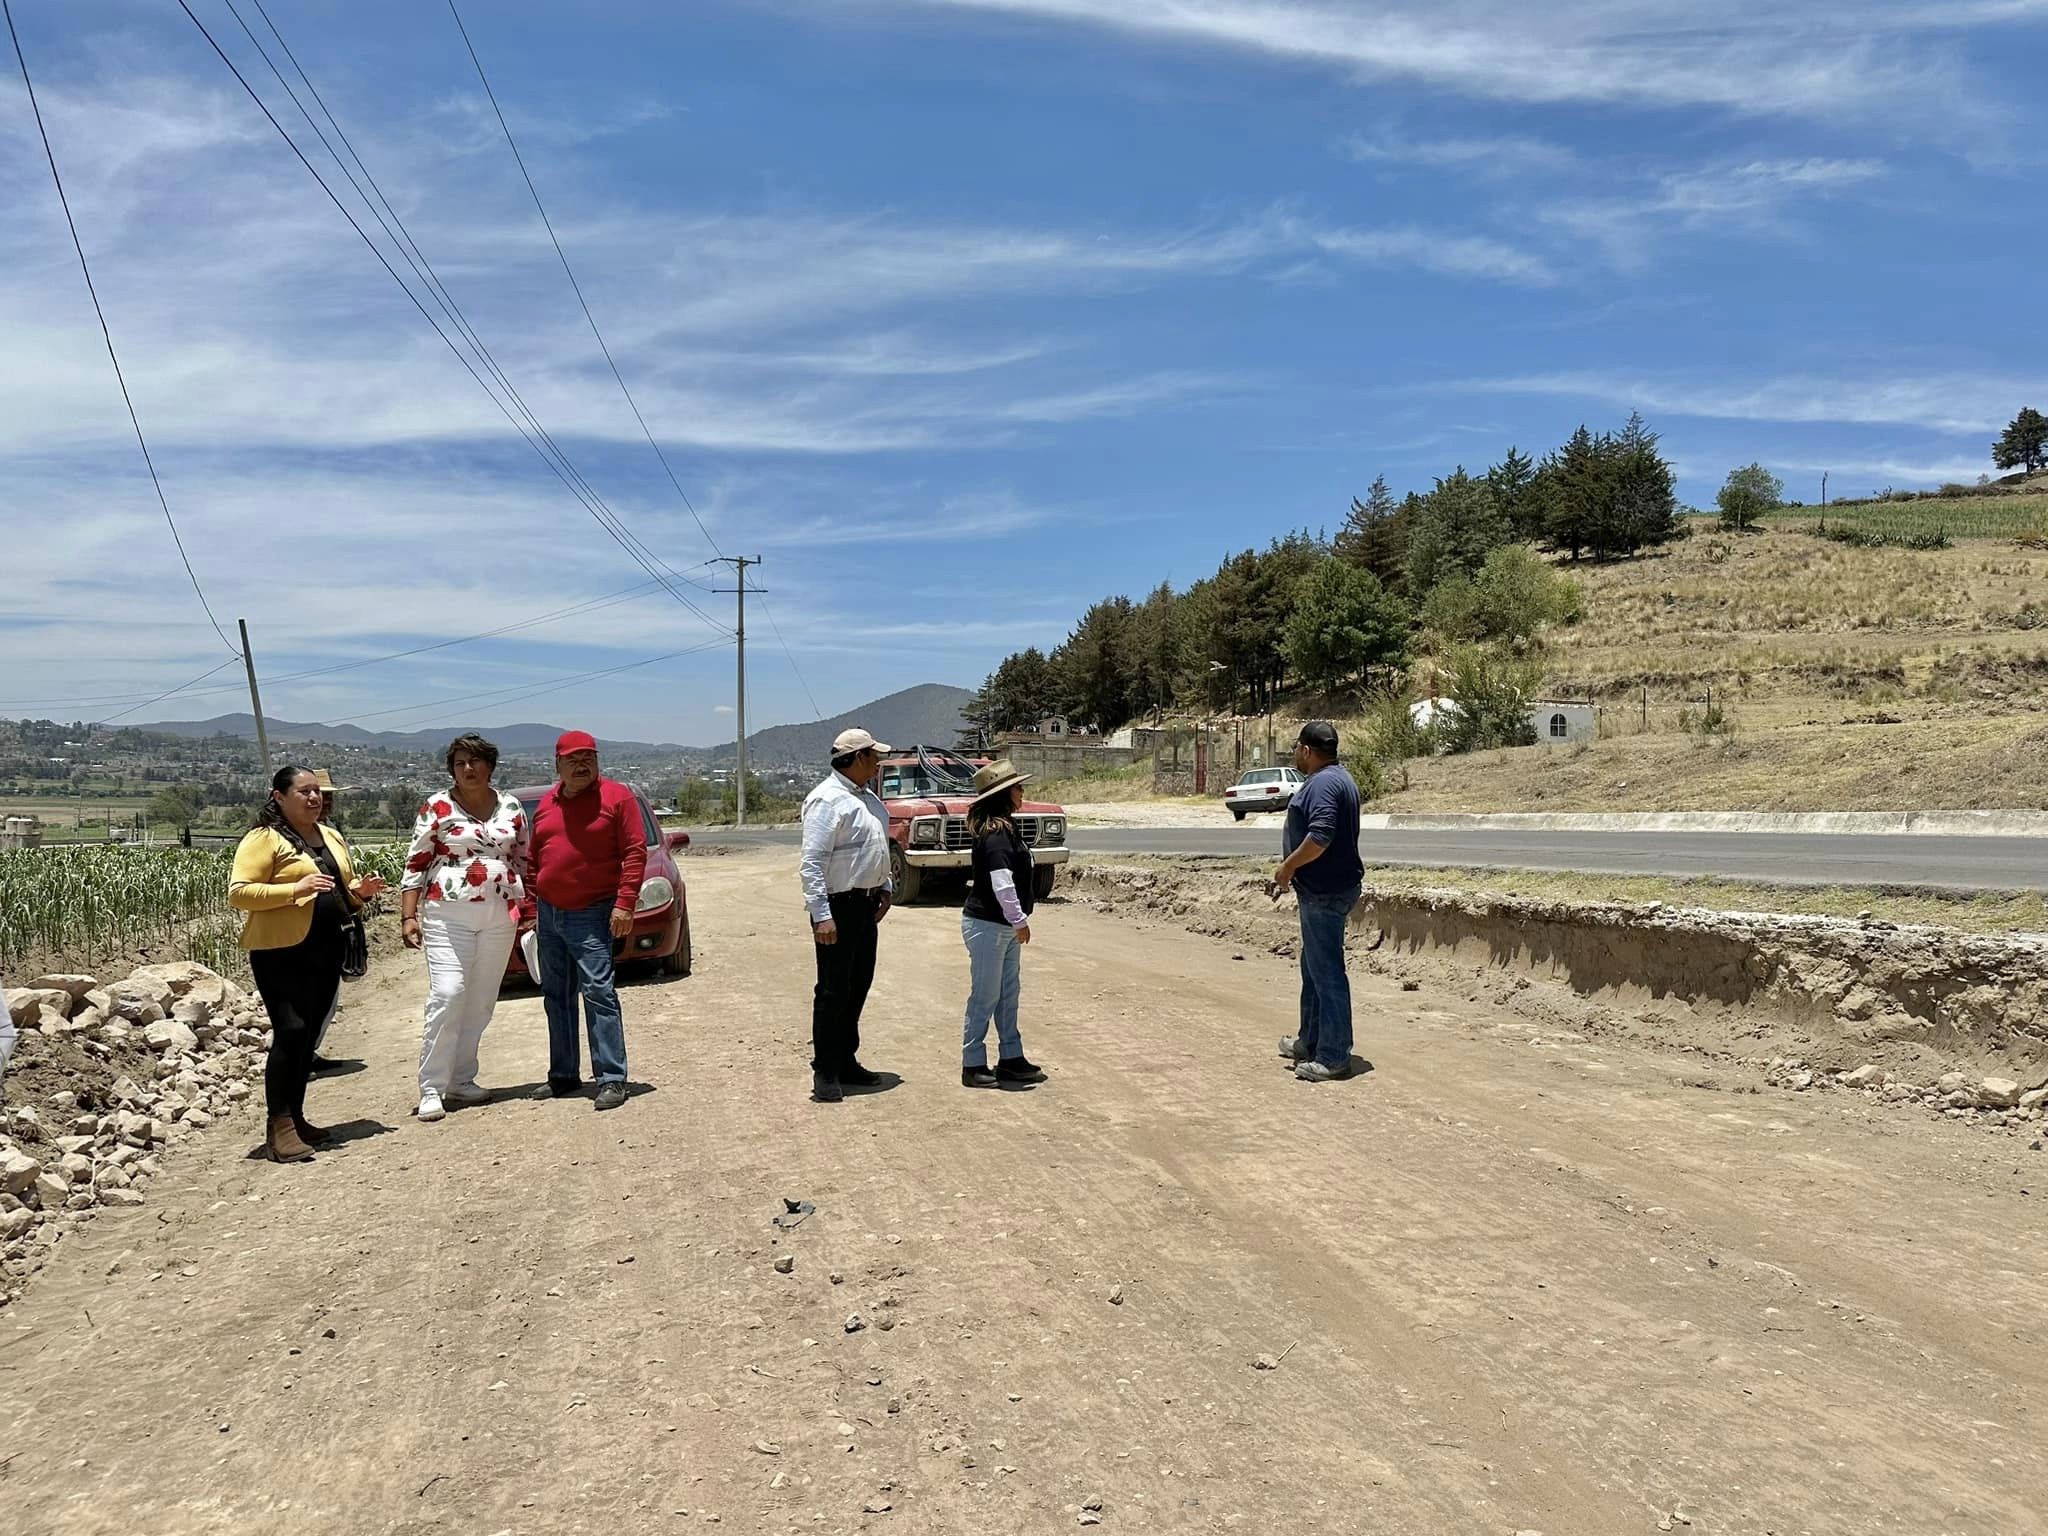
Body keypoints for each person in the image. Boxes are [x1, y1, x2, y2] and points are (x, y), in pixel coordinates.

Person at [230, 765, 388, 1161]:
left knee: (308, 1035)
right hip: (280, 950)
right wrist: (293, 889)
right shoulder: (263, 839)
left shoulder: (329, 836)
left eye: (317, 791)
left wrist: (360, 894)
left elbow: (339, 893)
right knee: (291, 1029)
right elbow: (240, 892)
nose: (315, 798)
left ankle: (297, 1118)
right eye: (304, 791)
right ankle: (279, 1125)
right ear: (279, 797)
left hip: (326, 945)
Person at [398, 734, 528, 1123]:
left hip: (498, 914)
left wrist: (528, 906)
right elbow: (417, 860)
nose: (467, 769)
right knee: (449, 994)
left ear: (490, 765)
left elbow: (522, 857)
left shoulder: (511, 805)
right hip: (446, 913)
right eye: (459, 763)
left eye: (475, 761)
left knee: (481, 1000)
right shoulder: (437, 806)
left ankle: (462, 1079)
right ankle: (431, 1087)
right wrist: (408, 915)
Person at [527, 730, 644, 1112]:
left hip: (592, 911)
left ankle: (611, 1078)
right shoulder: (547, 803)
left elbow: (634, 852)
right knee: (555, 996)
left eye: (589, 758)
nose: (582, 765)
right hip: (549, 914)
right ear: (557, 765)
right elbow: (535, 859)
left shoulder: (617, 797)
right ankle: (563, 1075)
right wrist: (532, 910)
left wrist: (625, 904)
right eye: (573, 759)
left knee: (598, 992)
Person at [799, 728, 894, 1103]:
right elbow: (811, 863)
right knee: (833, 989)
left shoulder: (867, 798)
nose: (877, 764)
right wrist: (821, 915)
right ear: (855, 759)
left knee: (858, 984)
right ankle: (825, 1070)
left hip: (865, 905)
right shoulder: (826, 800)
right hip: (838, 907)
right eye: (873, 757)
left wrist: (884, 886)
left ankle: (845, 1059)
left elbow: (875, 848)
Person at [1271, 721, 1365, 1083]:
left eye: (1296, 748)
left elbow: (1321, 836)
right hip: (1327, 888)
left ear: (1307, 750)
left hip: (1325, 893)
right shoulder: (1339, 778)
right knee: (1312, 968)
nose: (1295, 754)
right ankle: (1309, 1041)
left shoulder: (1325, 783)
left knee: (1326, 973)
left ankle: (1333, 1055)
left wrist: (1287, 867)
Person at [959, 759, 1047, 1089]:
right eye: (1017, 787)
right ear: (1003, 795)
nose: (1022, 792)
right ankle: (973, 1063)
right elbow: (1002, 883)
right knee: (985, 996)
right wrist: (1019, 920)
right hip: (989, 926)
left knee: (1008, 995)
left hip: (1001, 928)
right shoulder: (996, 836)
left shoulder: (1005, 829)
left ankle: (1011, 1058)